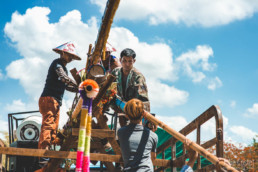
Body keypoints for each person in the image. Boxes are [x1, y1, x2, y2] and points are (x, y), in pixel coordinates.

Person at [38, 42, 80, 151]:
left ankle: (50, 150)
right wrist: (79, 86)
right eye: (68, 54)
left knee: (54, 127)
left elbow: (66, 85)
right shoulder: (57, 64)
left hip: (55, 101)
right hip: (49, 99)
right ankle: (44, 152)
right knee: (48, 124)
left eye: (72, 56)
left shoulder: (63, 69)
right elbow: (64, 77)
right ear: (61, 53)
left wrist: (79, 90)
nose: (70, 57)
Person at [111, 48, 150, 127]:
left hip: (135, 111)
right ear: (120, 60)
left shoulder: (138, 77)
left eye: (130, 61)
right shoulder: (115, 72)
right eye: (124, 61)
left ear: (134, 61)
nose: (127, 64)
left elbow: (144, 100)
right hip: (119, 106)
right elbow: (109, 91)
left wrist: (147, 120)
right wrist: (114, 107)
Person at [118, 99, 158, 172]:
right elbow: (153, 158)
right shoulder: (153, 136)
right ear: (143, 114)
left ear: (126, 115)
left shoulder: (121, 132)